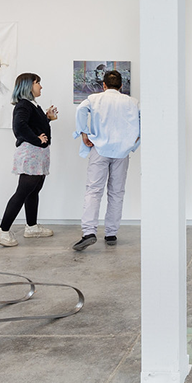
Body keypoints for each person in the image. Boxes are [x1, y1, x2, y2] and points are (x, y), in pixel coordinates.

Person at [73, 70, 141, 251]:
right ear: (121, 86)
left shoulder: (94, 99)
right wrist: (134, 142)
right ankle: (111, 233)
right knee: (117, 192)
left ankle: (89, 232)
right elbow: (144, 120)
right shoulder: (132, 102)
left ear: (103, 85)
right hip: (122, 152)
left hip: (99, 149)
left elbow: (80, 110)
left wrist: (83, 133)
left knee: (94, 191)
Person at [0, 73, 58, 247]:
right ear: (29, 85)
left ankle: (31, 227)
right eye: (38, 83)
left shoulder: (32, 105)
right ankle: (2, 231)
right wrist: (37, 140)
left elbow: (33, 125)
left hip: (38, 153)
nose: (41, 87)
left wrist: (47, 118)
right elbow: (19, 126)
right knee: (23, 192)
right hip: (31, 153)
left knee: (33, 191)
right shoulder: (23, 105)